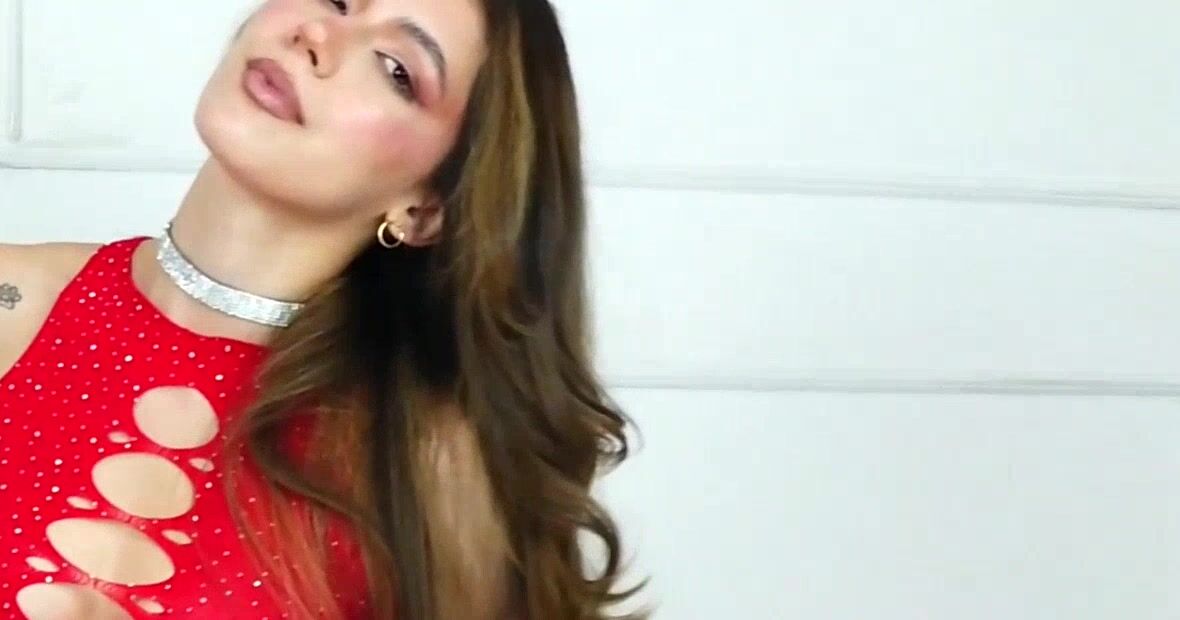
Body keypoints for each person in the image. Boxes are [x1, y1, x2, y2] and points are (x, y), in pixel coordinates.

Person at [0, 0, 644, 618]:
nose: (317, 37)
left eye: (396, 69)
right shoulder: (13, 297)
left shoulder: (425, 470)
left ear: (426, 210)